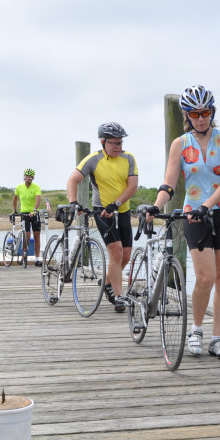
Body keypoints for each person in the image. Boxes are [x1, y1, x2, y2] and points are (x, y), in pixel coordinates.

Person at [146, 85, 220, 359]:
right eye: (195, 113)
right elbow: (170, 183)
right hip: (193, 216)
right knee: (205, 277)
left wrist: (207, 205)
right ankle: (196, 330)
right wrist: (156, 205)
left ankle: (217, 338)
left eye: (206, 112)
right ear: (187, 115)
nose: (201, 118)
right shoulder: (181, 144)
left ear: (212, 112)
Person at [66, 122, 138, 312]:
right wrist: (73, 202)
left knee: (126, 256)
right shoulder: (93, 159)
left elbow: (132, 186)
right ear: (103, 142)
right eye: (114, 143)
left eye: (120, 143)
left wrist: (116, 203)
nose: (118, 147)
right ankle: (119, 296)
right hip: (102, 212)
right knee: (116, 253)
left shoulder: (129, 158)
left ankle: (106, 282)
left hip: (121, 210)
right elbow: (73, 179)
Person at [13, 168, 43, 267]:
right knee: (26, 236)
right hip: (24, 213)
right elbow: (15, 198)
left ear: (33, 178)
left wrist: (34, 211)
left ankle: (37, 259)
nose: (28, 178)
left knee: (36, 236)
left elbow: (38, 200)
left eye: (30, 177)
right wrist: (15, 210)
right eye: (26, 177)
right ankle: (23, 256)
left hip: (34, 214)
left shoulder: (36, 187)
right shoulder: (19, 187)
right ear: (24, 177)